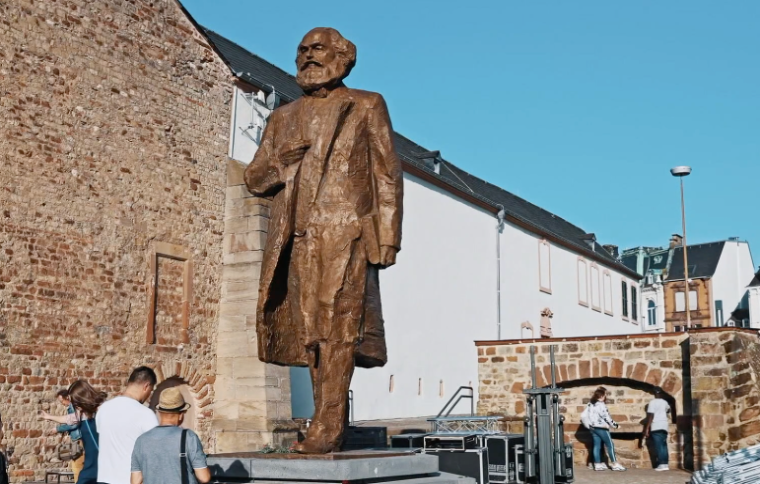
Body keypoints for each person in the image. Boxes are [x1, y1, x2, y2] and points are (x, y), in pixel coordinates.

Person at [244, 27, 403, 454]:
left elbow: (387, 172)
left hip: (345, 232)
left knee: (337, 329)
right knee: (310, 335)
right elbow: (254, 179)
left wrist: (387, 237)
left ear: (342, 57)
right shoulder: (283, 117)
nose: (307, 56)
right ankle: (326, 420)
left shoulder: (366, 104)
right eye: (302, 50)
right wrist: (281, 162)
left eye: (317, 49)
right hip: (296, 239)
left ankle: (328, 427)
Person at [130, 388, 210, 484]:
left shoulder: (141, 441)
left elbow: (135, 481)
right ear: (181, 415)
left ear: (159, 412)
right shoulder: (189, 437)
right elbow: (204, 478)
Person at [96, 367, 158, 484]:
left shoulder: (103, 409)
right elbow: (155, 452)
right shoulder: (146, 414)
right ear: (146, 386)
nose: (149, 395)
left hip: (104, 479)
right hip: (129, 480)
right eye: (150, 390)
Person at [39, 389, 84, 481]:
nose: (62, 403)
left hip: (79, 441)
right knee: (77, 468)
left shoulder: (73, 407)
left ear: (67, 397)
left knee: (77, 469)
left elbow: (74, 424)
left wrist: (58, 429)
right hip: (79, 440)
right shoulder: (74, 407)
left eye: (62, 401)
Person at [67, 380, 106, 484]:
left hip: (98, 469)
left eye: (75, 403)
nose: (75, 406)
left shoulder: (99, 414)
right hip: (93, 468)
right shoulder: (85, 415)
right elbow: (69, 419)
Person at [585, 387, 626, 471]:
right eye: (604, 395)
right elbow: (607, 417)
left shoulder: (591, 404)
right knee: (610, 445)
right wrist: (615, 425)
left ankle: (597, 464)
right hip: (602, 427)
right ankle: (615, 464)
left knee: (597, 446)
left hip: (593, 427)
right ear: (602, 396)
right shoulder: (602, 405)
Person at [643, 387, 671, 471]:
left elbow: (651, 415)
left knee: (659, 446)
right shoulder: (665, 402)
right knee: (664, 445)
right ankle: (665, 464)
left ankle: (662, 464)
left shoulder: (652, 402)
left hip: (656, 425)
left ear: (654, 393)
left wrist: (647, 428)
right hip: (664, 425)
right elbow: (668, 410)